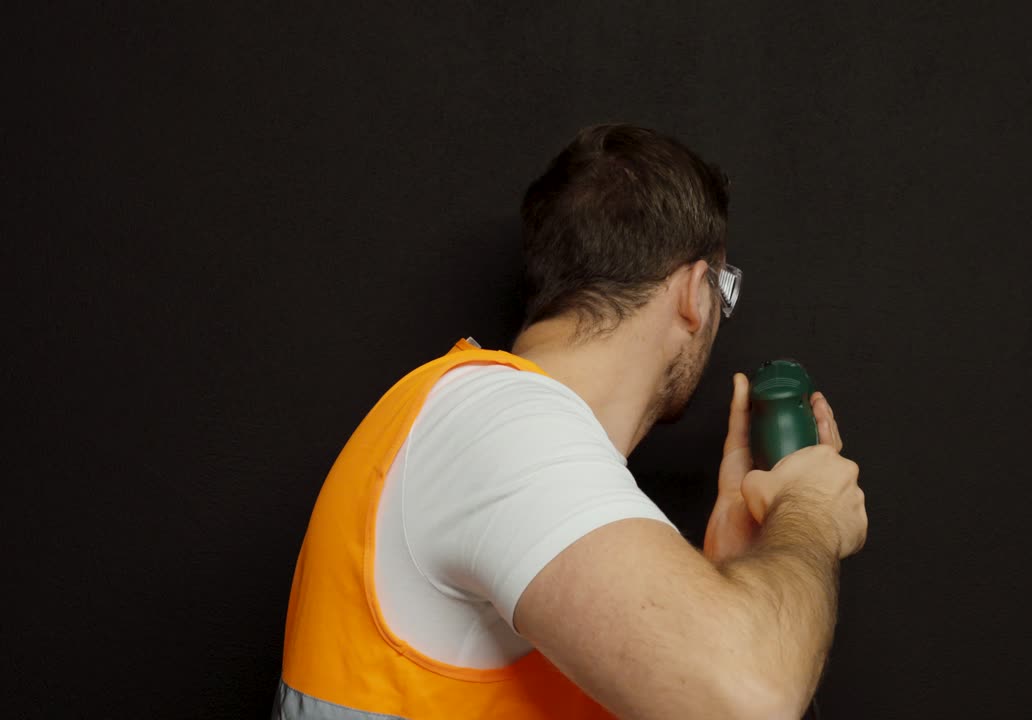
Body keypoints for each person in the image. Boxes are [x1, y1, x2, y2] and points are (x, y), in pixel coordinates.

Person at [274, 123, 868, 720]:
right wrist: (811, 512)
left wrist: (736, 575)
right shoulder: (501, 424)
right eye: (723, 291)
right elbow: (750, 702)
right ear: (694, 291)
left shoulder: (487, 427)